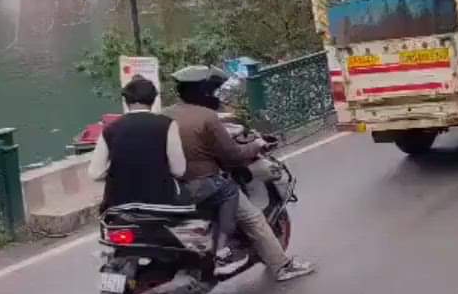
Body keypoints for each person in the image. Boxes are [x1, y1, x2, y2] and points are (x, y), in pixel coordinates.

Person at [168, 66, 316, 282]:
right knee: (253, 218)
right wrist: (256, 145)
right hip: (205, 182)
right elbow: (232, 156)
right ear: (204, 92)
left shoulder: (166, 114)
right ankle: (282, 266)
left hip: (173, 186)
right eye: (213, 91)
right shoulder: (207, 117)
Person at [88, 76, 188, 210]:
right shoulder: (167, 124)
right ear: (153, 100)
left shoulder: (110, 128)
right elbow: (179, 170)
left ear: (126, 100)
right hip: (160, 203)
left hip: (119, 205)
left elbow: (96, 173)